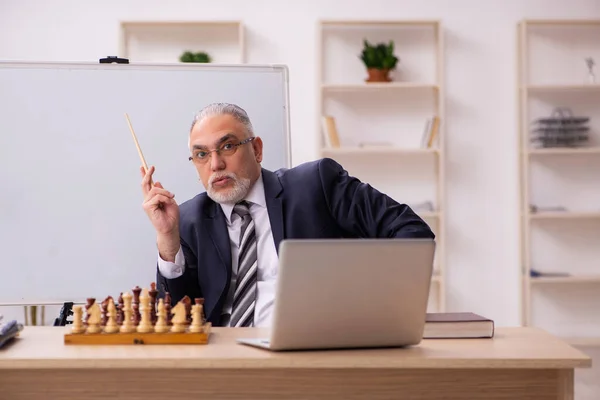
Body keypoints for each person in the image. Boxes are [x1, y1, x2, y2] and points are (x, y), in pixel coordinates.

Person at [140, 103, 435, 328]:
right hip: (227, 364)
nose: (215, 164)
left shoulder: (316, 184)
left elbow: (411, 232)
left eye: (228, 146)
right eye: (202, 154)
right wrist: (167, 238)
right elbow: (176, 318)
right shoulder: (189, 218)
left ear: (256, 149)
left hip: (314, 351)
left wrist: (363, 303)